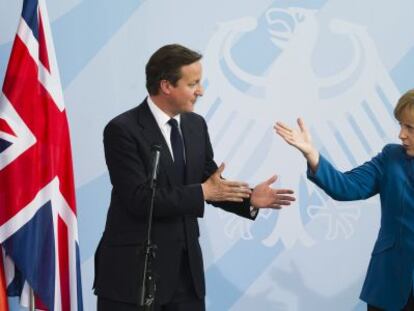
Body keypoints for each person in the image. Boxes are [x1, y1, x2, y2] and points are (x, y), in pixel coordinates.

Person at [93, 44, 295, 311]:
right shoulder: (123, 130)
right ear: (166, 86)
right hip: (134, 276)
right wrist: (202, 192)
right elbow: (139, 199)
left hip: (185, 279)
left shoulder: (195, 125)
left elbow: (209, 183)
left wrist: (248, 199)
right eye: (194, 84)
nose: (201, 91)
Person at [274, 89, 414, 311]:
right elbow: (346, 187)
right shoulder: (391, 158)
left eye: (410, 128)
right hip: (390, 284)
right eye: (401, 125)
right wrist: (312, 155)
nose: (401, 135)